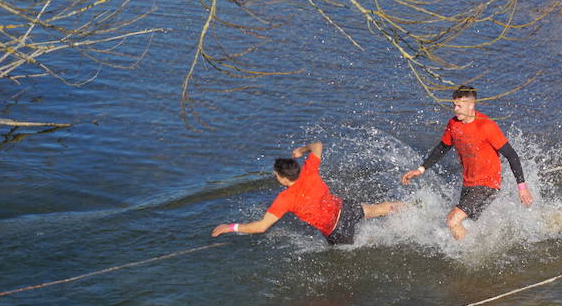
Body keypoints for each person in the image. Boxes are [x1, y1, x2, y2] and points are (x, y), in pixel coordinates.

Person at [400, 86, 534, 240]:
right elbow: (442, 148)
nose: (455, 110)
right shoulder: (453, 124)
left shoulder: (486, 126)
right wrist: (421, 169)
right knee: (468, 225)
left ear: (471, 106)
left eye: (459, 106)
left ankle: (468, 258)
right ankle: (478, 250)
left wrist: (522, 188)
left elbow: (512, 155)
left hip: (487, 185)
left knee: (452, 220)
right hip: (469, 184)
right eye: (454, 105)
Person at [211, 142, 404, 245]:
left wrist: (230, 227)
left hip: (336, 231)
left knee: (356, 249)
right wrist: (301, 150)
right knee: (377, 209)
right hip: (345, 209)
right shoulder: (309, 171)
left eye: (276, 174)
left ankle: (390, 239)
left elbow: (261, 227)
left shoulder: (285, 199)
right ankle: (414, 208)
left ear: (284, 179)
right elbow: (318, 145)